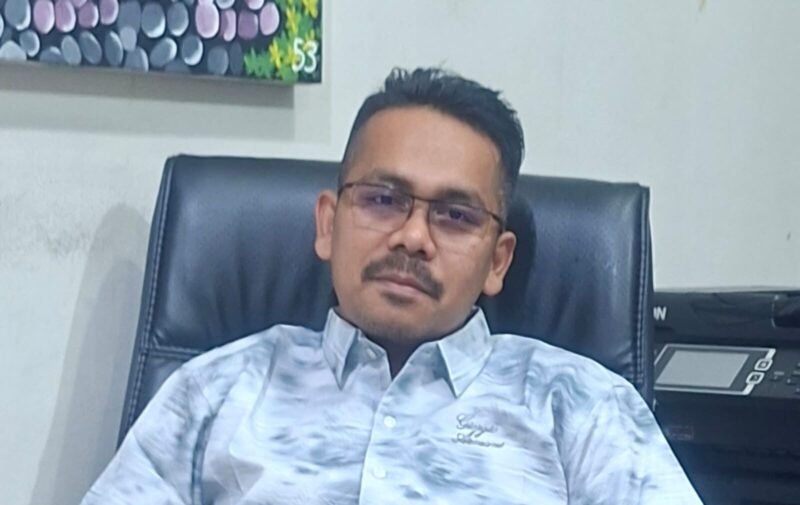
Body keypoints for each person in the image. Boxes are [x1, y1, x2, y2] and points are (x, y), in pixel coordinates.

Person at [81, 68, 703, 505]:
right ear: (328, 224)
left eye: (455, 215)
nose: (412, 237)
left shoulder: (583, 407)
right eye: (383, 199)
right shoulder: (216, 391)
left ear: (498, 261)